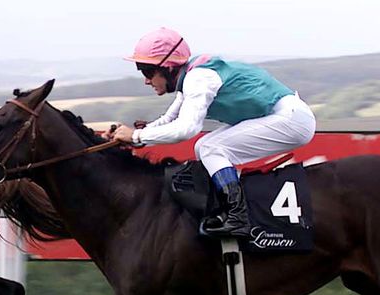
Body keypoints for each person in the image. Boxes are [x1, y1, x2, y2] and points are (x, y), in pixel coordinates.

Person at [106, 27, 316, 237]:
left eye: (147, 71)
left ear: (169, 68)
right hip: (282, 116)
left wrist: (135, 136)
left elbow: (186, 129)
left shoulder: (198, 79)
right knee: (203, 148)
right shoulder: (189, 76)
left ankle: (238, 217)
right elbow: (168, 120)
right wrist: (129, 138)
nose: (146, 80)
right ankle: (230, 208)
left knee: (209, 147)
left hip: (291, 119)